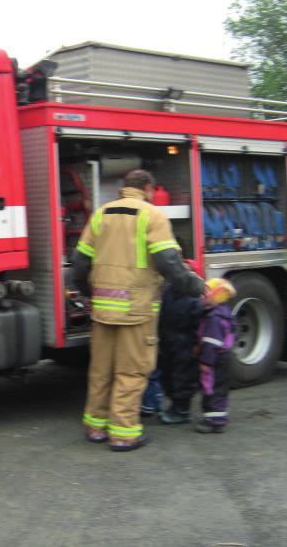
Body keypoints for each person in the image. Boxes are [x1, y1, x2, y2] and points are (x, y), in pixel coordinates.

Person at [72, 169, 205, 451]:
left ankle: (95, 426)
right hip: (136, 310)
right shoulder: (152, 215)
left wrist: (90, 292)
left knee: (101, 370)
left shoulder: (101, 214)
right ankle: (123, 434)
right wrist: (195, 286)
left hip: (102, 310)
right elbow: (169, 262)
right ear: (148, 189)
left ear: (124, 188)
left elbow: (80, 262)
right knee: (130, 372)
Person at [157, 268, 204, 425]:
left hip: (185, 345)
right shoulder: (169, 291)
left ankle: (182, 410)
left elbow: (199, 325)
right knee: (168, 374)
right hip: (169, 342)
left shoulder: (193, 298)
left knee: (183, 377)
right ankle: (174, 405)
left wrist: (198, 345)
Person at [194, 278, 237, 434]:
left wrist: (206, 362)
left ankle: (215, 420)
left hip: (215, 359)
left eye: (205, 294)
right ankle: (215, 416)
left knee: (212, 388)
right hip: (222, 357)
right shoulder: (222, 313)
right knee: (217, 388)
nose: (201, 297)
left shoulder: (213, 318)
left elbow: (211, 342)